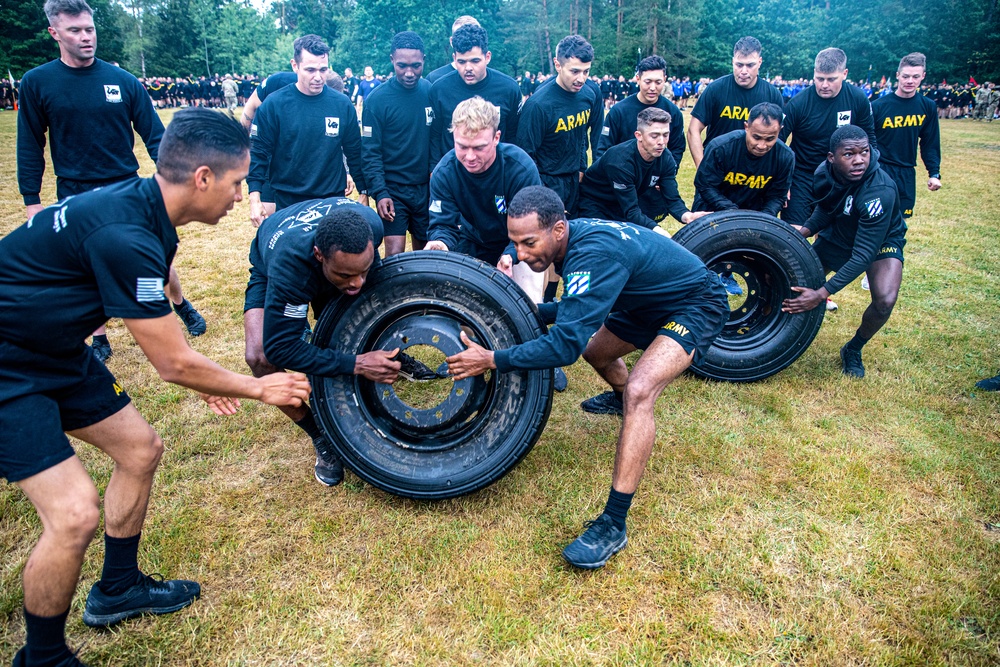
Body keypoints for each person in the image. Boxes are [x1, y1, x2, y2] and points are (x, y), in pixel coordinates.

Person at [0, 107, 311, 667]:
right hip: (7, 363)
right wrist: (256, 387)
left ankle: (117, 589)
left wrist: (196, 370)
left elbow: (169, 341)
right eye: (238, 183)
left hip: (55, 350)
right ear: (203, 179)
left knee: (140, 449)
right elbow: (171, 363)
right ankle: (42, 657)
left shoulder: (145, 207)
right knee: (73, 514)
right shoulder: (125, 232)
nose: (241, 196)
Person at [445, 186, 729, 569]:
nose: (522, 255)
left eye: (529, 243)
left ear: (558, 230)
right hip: (641, 301)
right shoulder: (575, 242)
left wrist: (492, 359)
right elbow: (577, 305)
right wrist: (517, 309)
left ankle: (613, 523)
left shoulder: (591, 255)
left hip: (696, 303)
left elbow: (563, 348)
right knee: (597, 351)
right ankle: (618, 396)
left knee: (642, 392)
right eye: (514, 244)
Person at [16, 0, 207, 362]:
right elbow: (30, 143)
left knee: (157, 257)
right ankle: (99, 339)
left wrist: (176, 174)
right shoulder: (37, 82)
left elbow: (155, 134)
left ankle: (181, 306)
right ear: (54, 33)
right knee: (86, 268)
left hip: (126, 187)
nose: (86, 37)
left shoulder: (122, 81)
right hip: (75, 190)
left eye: (89, 29)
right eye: (75, 30)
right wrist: (31, 199)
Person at [243, 197, 426, 487]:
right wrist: (356, 364)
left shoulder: (371, 226)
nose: (357, 282)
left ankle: (393, 356)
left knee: (365, 309)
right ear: (319, 255)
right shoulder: (291, 267)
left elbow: (365, 283)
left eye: (362, 271)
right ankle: (319, 433)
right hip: (273, 263)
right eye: (346, 275)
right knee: (260, 357)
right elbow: (281, 347)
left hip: (327, 250)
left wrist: (360, 276)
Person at [781, 126, 906, 378]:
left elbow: (862, 255)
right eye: (849, 154)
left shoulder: (879, 191)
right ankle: (770, 328)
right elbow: (826, 209)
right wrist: (803, 232)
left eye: (864, 152)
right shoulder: (822, 173)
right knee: (791, 281)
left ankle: (853, 349)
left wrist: (822, 293)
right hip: (839, 232)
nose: (859, 160)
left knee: (884, 301)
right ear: (832, 158)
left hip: (879, 242)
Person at [424, 97, 551, 305]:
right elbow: (442, 224)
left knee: (527, 307)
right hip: (474, 240)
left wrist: (510, 255)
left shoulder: (520, 168)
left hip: (520, 244)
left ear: (496, 137)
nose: (470, 156)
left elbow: (532, 229)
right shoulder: (444, 172)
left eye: (479, 147)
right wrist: (440, 241)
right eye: (462, 146)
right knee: (464, 308)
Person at [247, 35, 366, 226]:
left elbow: (355, 154)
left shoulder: (342, 105)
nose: (318, 77)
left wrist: (364, 192)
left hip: (331, 201)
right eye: (310, 70)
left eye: (323, 69)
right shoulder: (275, 104)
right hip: (288, 201)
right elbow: (259, 154)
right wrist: (255, 199)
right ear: (295, 65)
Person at [779, 47, 877, 225]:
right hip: (803, 176)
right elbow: (778, 143)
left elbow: (870, 140)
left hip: (841, 178)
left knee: (832, 236)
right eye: (819, 78)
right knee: (793, 234)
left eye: (831, 79)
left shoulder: (858, 99)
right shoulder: (798, 103)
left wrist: (871, 177)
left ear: (845, 73)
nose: (824, 85)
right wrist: (782, 182)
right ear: (814, 73)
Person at [361, 31, 433, 257]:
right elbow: (370, 153)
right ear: (392, 59)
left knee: (426, 254)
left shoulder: (431, 92)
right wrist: (380, 192)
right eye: (402, 65)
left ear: (424, 60)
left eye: (416, 65)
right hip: (393, 190)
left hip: (426, 189)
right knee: (395, 255)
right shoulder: (377, 100)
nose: (409, 72)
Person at [515, 34, 602, 218]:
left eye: (586, 71)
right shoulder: (538, 105)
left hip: (575, 180)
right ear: (558, 65)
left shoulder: (589, 94)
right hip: (547, 181)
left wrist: (581, 168)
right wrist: (542, 194)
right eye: (575, 71)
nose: (581, 78)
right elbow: (525, 154)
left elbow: (581, 137)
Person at [579, 108, 709, 229]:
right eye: (655, 136)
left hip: (622, 205)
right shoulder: (620, 162)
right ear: (638, 135)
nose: (661, 142)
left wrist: (687, 216)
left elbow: (672, 199)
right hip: (595, 206)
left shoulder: (665, 157)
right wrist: (658, 231)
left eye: (665, 135)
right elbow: (631, 212)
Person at [428, 24, 521, 167]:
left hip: (497, 171)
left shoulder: (509, 89)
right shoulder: (439, 89)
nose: (468, 68)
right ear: (454, 58)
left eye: (475, 61)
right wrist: (434, 170)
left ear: (487, 57)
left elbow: (514, 136)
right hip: (453, 172)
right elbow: (434, 136)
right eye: (462, 62)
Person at [687, 36, 783, 169]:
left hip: (754, 173)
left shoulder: (772, 95)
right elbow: (693, 130)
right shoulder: (715, 89)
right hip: (717, 166)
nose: (744, 71)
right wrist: (702, 169)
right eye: (739, 65)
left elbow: (778, 137)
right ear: (733, 61)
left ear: (760, 62)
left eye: (750, 65)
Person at [692, 102, 794, 217]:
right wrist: (732, 211)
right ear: (746, 127)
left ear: (780, 130)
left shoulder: (785, 156)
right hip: (712, 209)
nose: (762, 145)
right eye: (756, 137)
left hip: (756, 212)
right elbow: (705, 185)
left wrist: (764, 218)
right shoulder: (720, 148)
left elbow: (777, 195)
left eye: (770, 139)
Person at [871, 53, 941, 219]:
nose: (910, 81)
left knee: (899, 222)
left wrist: (934, 173)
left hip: (907, 172)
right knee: (875, 221)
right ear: (898, 75)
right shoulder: (878, 107)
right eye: (906, 76)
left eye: (915, 76)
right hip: (880, 170)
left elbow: (930, 143)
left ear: (923, 76)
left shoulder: (927, 107)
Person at [594, 55, 685, 167]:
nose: (652, 87)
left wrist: (667, 174)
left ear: (665, 80)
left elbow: (677, 148)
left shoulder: (673, 112)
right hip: (622, 175)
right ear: (638, 79)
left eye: (658, 82)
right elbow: (604, 148)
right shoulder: (619, 111)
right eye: (648, 82)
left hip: (655, 178)